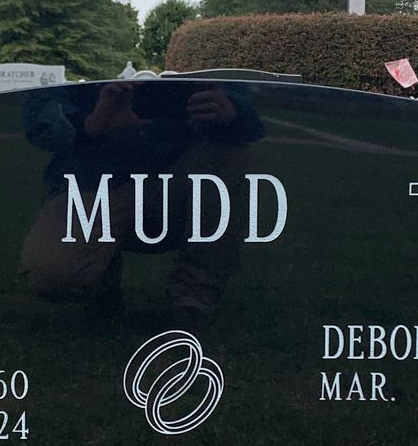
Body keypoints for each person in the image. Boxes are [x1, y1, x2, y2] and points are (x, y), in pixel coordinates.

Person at [18, 81, 264, 315]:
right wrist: (89, 124)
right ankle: (101, 283)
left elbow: (242, 108)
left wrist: (229, 110)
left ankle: (196, 293)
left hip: (181, 174)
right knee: (52, 272)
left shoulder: (201, 51)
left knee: (234, 156)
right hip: (96, 176)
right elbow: (38, 110)